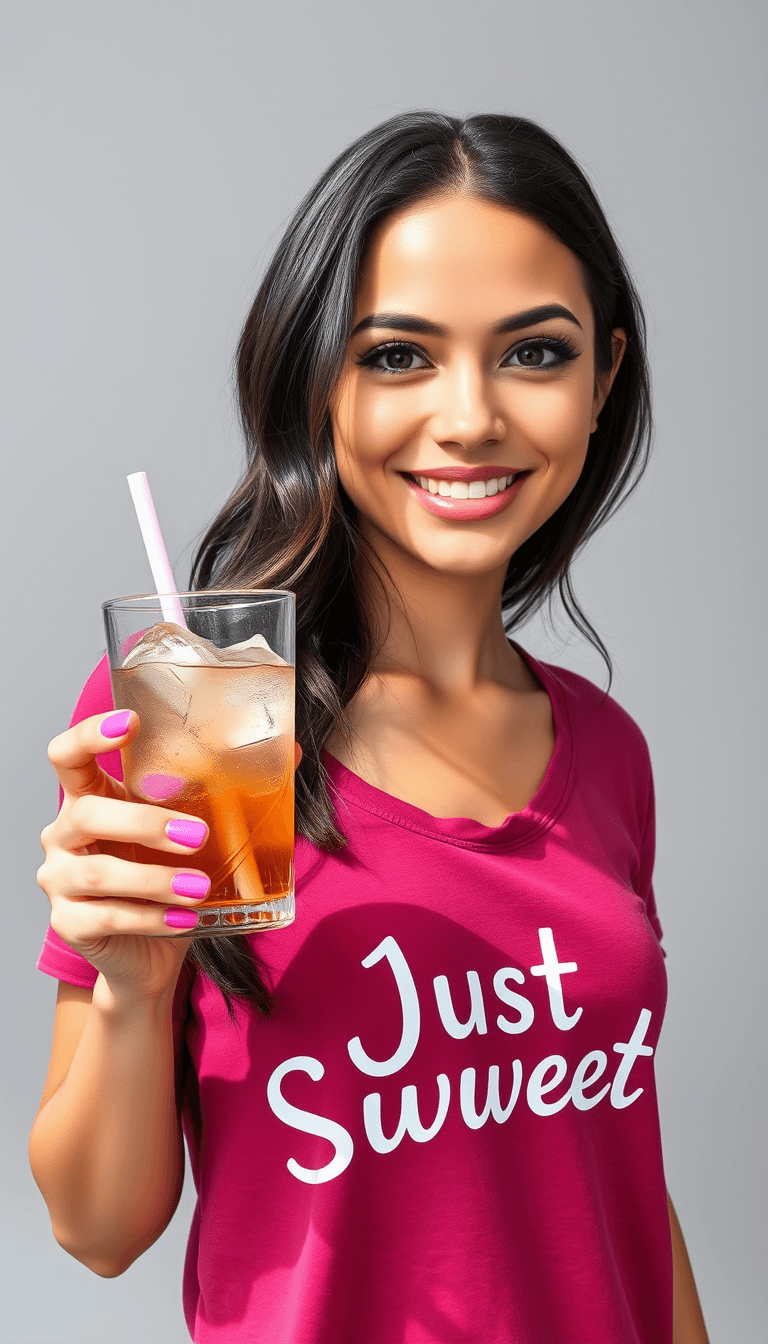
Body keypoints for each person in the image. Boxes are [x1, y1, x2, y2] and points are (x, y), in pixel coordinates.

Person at [30, 111, 710, 1343]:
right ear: (314, 377)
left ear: (604, 379)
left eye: (534, 355)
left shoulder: (610, 751)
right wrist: (136, 988)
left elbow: (620, 1185)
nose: (469, 418)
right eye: (399, 355)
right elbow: (97, 1229)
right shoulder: (198, 717)